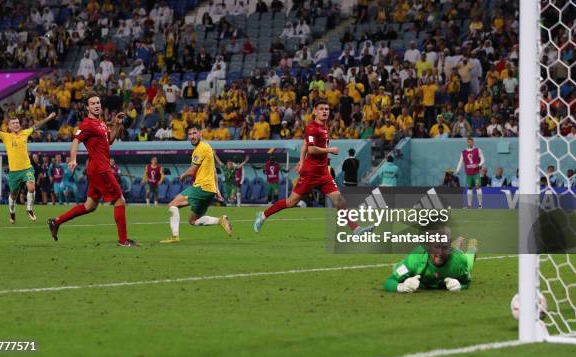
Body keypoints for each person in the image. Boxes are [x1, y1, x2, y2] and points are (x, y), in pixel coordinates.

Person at [253, 100, 370, 235]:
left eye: (327, 109)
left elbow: (304, 145)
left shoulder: (325, 127)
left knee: (339, 199)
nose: (325, 111)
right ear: (314, 111)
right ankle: (263, 215)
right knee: (291, 202)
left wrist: (301, 161)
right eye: (321, 109)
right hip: (311, 173)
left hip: (323, 173)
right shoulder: (312, 128)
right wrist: (329, 150)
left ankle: (356, 229)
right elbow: (311, 149)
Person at [47, 91, 138, 247]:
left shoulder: (101, 123)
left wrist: (116, 124)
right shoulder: (87, 124)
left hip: (97, 168)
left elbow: (109, 141)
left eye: (98, 103)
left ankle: (56, 221)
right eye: (93, 103)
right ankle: (123, 241)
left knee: (90, 206)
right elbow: (76, 140)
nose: (96, 106)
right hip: (100, 169)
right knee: (120, 200)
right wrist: (73, 159)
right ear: (87, 107)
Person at [0, 111, 55, 223]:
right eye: (14, 123)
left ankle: (29, 209)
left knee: (31, 187)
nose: (16, 124)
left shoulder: (25, 133)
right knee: (13, 195)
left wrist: (48, 117)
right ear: (9, 126)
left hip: (27, 168)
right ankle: (12, 212)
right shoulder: (6, 136)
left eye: (17, 122)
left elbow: (36, 126)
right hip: (14, 172)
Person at [161, 125, 233, 243]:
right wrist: (217, 190)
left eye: (194, 133)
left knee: (172, 205)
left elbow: (193, 170)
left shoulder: (200, 148)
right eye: (190, 134)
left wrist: (183, 175)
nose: (192, 136)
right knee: (193, 220)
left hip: (201, 188)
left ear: (201, 134)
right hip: (209, 191)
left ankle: (174, 236)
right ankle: (220, 220)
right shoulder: (207, 147)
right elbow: (213, 171)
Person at [383, 229, 477, 293]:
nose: (440, 252)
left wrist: (460, 285)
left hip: (457, 257)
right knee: (399, 268)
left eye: (444, 247)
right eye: (436, 246)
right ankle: (457, 245)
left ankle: (472, 248)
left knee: (469, 261)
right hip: (409, 265)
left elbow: (466, 282)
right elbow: (389, 282)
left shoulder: (459, 261)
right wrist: (401, 287)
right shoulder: (415, 258)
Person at [455, 137, 485, 208]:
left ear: (473, 142)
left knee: (478, 188)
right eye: (468, 142)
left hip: (476, 173)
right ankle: (469, 205)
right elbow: (460, 162)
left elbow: (483, 159)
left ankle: (480, 205)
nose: (470, 143)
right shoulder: (463, 152)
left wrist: (478, 165)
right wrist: (457, 170)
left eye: (471, 142)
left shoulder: (478, 150)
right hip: (468, 174)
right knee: (469, 188)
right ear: (467, 143)